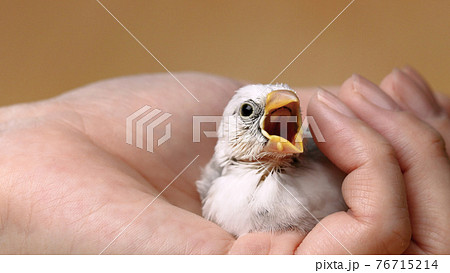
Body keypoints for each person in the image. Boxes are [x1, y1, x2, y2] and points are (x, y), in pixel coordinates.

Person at [0, 67, 449, 254]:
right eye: (248, 113)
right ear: (229, 131)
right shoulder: (216, 195)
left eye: (279, 113)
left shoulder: (331, 166)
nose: (270, 115)